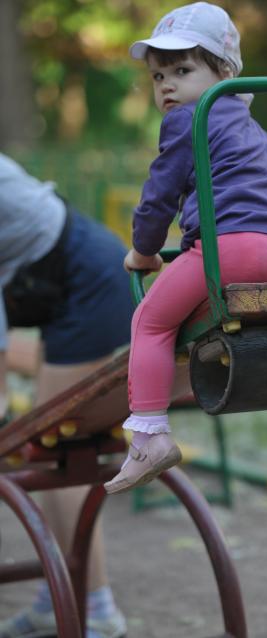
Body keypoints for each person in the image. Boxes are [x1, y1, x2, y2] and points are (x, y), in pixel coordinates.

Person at [104, 1, 267, 496]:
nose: (167, 86)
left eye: (182, 70)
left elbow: (159, 196)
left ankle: (149, 435)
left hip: (226, 251)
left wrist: (143, 252)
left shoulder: (187, 121)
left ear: (224, 71)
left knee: (151, 322)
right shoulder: (258, 131)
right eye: (158, 75)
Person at [0, 152, 130, 638]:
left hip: (88, 282)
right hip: (53, 286)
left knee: (56, 448)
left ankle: (95, 608)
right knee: (49, 448)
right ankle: (57, 597)